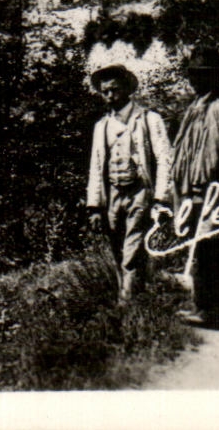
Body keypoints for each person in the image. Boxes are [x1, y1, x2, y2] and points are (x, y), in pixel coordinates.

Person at [168, 45, 219, 328]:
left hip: (215, 192)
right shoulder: (195, 108)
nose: (196, 80)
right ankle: (203, 307)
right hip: (193, 192)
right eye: (193, 75)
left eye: (203, 75)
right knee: (199, 250)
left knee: (212, 250)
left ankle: (213, 313)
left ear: (216, 76)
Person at [85, 65, 171, 303]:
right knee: (117, 251)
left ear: (126, 89)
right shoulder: (102, 126)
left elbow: (165, 159)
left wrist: (160, 198)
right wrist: (94, 206)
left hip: (139, 192)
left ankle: (126, 306)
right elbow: (96, 165)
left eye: (114, 90)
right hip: (112, 194)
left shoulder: (149, 119)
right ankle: (136, 299)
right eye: (105, 92)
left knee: (132, 251)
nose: (110, 96)